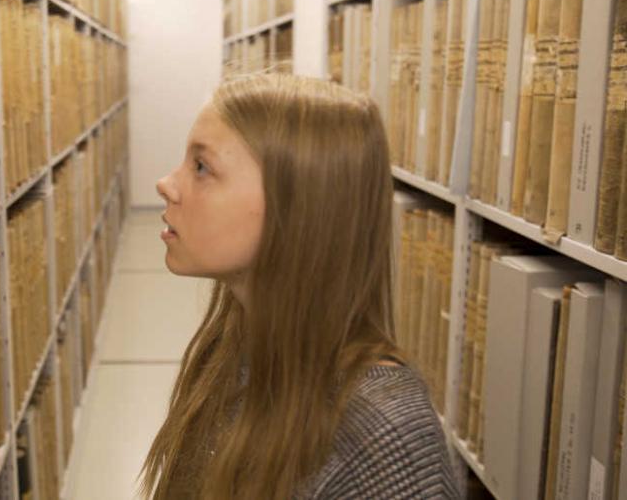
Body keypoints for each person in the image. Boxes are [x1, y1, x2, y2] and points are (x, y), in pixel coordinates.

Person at [143, 74, 460, 499]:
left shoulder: (385, 435)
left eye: (202, 167)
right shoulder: (231, 347)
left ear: (295, 205)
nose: (167, 184)